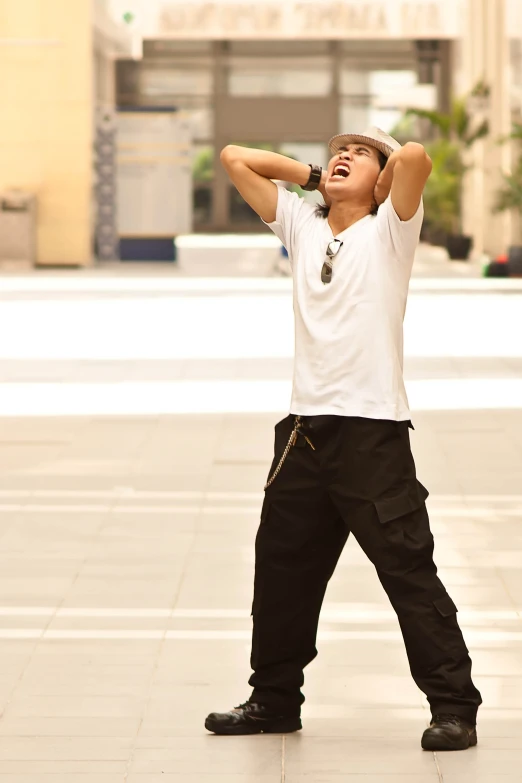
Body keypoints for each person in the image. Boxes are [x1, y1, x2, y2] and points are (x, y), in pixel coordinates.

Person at [204, 127, 482, 750]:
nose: (342, 156)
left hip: (373, 435)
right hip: (303, 433)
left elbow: (413, 157)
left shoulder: (391, 230)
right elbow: (234, 158)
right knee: (281, 575)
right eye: (336, 150)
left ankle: (454, 706)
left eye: (358, 152)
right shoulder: (302, 226)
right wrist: (313, 178)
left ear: (380, 180)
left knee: (408, 573)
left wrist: (381, 182)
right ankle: (274, 701)